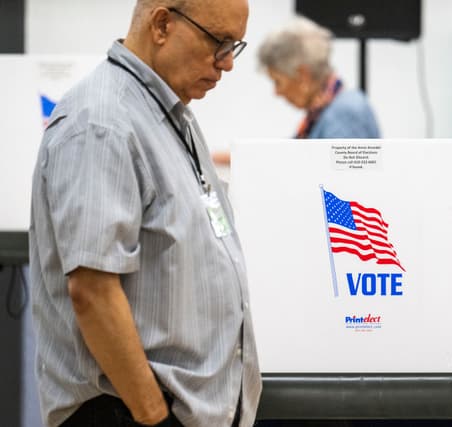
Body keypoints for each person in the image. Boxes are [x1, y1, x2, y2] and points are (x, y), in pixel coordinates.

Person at [28, 1, 261, 426]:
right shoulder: (102, 122)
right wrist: (153, 414)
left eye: (234, 47)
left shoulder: (168, 117)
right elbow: (93, 291)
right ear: (162, 24)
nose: (227, 63)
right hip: (132, 414)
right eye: (220, 43)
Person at [211, 15, 380, 166]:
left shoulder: (344, 114)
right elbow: (292, 156)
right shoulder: (325, 111)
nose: (276, 93)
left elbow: (342, 187)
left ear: (303, 75)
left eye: (278, 81)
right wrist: (239, 158)